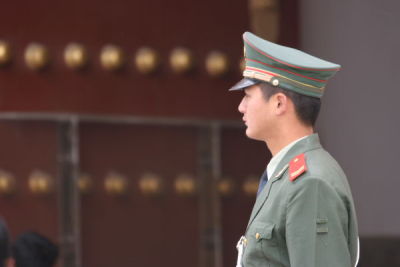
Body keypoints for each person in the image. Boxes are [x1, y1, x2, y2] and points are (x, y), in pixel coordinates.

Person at [230, 32, 359, 267]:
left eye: (248, 96)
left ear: (279, 103)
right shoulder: (286, 175)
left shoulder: (310, 183)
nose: (241, 107)